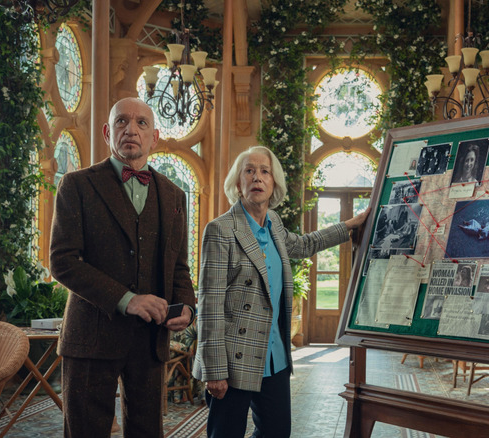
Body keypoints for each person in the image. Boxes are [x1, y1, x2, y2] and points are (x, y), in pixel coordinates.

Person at [193, 146, 370, 438]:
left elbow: (303, 245)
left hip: (274, 356)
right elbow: (209, 304)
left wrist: (349, 227)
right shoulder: (221, 229)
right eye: (249, 171)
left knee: (277, 433)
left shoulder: (273, 223)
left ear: (274, 183)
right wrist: (215, 371)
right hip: (232, 360)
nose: (257, 177)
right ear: (238, 183)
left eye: (265, 171)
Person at [50, 97, 195, 437]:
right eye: (121, 122)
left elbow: (179, 266)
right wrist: (127, 298)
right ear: (106, 132)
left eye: (142, 123)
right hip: (90, 337)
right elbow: (63, 261)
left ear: (154, 137)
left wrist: (187, 306)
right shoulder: (76, 185)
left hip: (149, 341)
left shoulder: (174, 195)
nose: (131, 129)